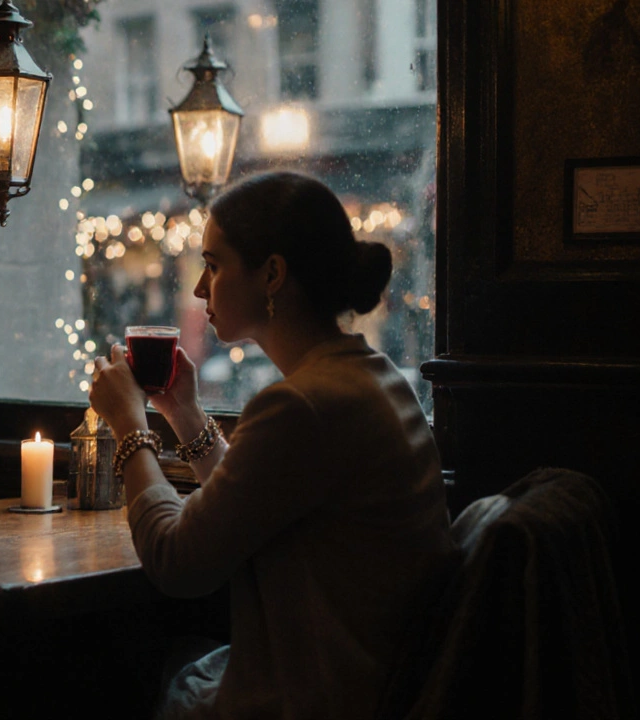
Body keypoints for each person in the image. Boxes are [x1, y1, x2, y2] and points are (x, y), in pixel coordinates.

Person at [87, 172, 454, 719]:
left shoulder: (303, 405)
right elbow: (251, 498)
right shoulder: (371, 378)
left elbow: (177, 560)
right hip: (374, 686)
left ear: (272, 274)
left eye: (213, 265)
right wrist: (184, 413)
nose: (198, 289)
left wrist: (128, 425)